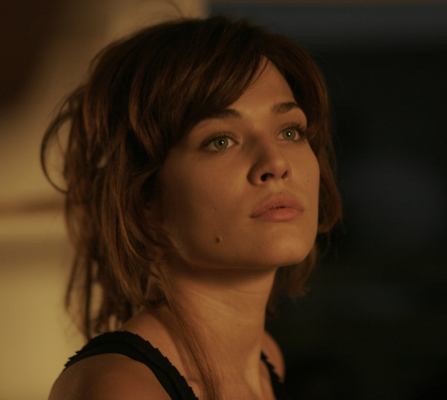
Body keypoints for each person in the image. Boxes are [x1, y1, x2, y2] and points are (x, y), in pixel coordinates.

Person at [42, 16, 342, 400]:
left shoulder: (266, 360)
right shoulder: (122, 389)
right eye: (220, 141)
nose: (276, 163)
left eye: (289, 131)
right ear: (143, 199)